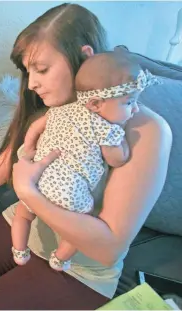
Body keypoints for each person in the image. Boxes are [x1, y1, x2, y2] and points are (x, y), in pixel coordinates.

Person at [0, 3, 172, 309]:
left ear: (85, 56)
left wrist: (29, 191)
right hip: (27, 227)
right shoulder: (53, 108)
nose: (31, 83)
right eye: (28, 71)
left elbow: (109, 247)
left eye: (41, 69)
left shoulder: (145, 130)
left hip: (79, 265)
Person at [11, 52, 160, 271]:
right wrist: (123, 143)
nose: (135, 109)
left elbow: (34, 128)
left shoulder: (60, 110)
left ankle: (19, 250)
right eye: (129, 102)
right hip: (70, 191)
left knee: (22, 215)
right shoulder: (106, 129)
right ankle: (60, 259)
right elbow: (117, 160)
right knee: (82, 222)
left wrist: (30, 149)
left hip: (40, 179)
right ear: (95, 104)